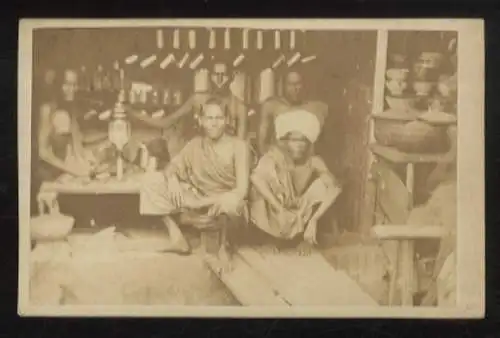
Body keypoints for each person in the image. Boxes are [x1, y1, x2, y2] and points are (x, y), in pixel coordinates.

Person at [139, 97, 250, 268]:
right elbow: (172, 167)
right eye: (209, 119)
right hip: (198, 199)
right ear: (202, 121)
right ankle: (176, 236)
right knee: (151, 180)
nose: (214, 124)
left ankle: (224, 246)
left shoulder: (239, 146)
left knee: (232, 203)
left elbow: (242, 190)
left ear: (226, 120)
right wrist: (173, 179)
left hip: (223, 204)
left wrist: (205, 202)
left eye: (219, 118)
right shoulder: (195, 145)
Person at [250, 110, 341, 254]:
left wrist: (314, 220)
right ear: (286, 142)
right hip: (277, 212)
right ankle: (269, 240)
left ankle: (304, 241)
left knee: (323, 186)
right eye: (294, 140)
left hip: (300, 213)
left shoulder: (314, 161)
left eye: (303, 140)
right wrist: (278, 207)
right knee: (258, 188)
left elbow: (335, 187)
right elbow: (256, 178)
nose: (299, 145)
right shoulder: (274, 157)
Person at [129, 59, 248, 159]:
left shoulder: (239, 106)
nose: (220, 79)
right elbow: (166, 122)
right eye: (216, 75)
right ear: (210, 77)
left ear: (231, 77)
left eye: (223, 75)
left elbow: (240, 147)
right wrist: (135, 114)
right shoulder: (198, 99)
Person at [258, 69, 328, 156]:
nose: (295, 89)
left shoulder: (317, 108)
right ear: (284, 85)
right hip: (280, 161)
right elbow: (262, 142)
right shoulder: (272, 106)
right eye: (290, 84)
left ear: (304, 85)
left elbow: (327, 143)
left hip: (309, 162)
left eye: (298, 84)